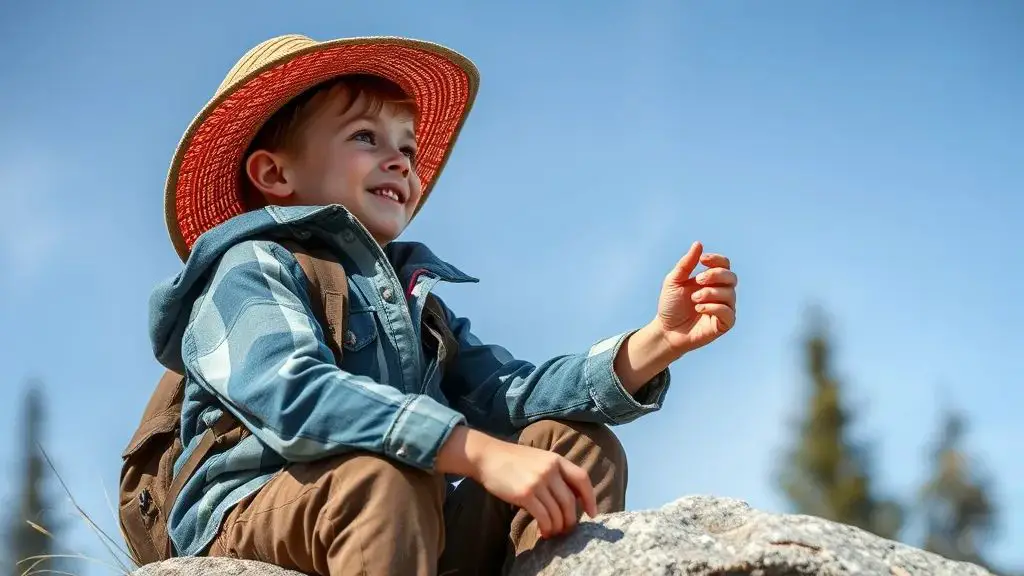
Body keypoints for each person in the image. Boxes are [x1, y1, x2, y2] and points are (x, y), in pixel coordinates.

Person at [147, 34, 738, 576]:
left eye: (407, 146)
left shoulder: (412, 304)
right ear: (275, 173)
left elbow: (511, 392)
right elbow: (292, 394)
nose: (402, 160)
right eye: (364, 137)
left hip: (401, 514)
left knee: (574, 446)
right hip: (259, 516)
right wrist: (473, 451)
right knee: (383, 480)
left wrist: (660, 339)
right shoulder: (250, 268)